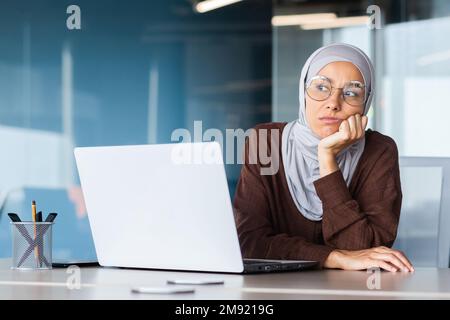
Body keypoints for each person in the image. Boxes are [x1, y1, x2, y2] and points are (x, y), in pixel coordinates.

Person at [233, 43, 414, 272]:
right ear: (303, 93)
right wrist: (334, 258)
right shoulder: (265, 141)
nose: (333, 103)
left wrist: (327, 159)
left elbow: (367, 251)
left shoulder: (379, 150)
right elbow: (249, 245)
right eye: (321, 87)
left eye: (351, 93)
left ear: (365, 103)